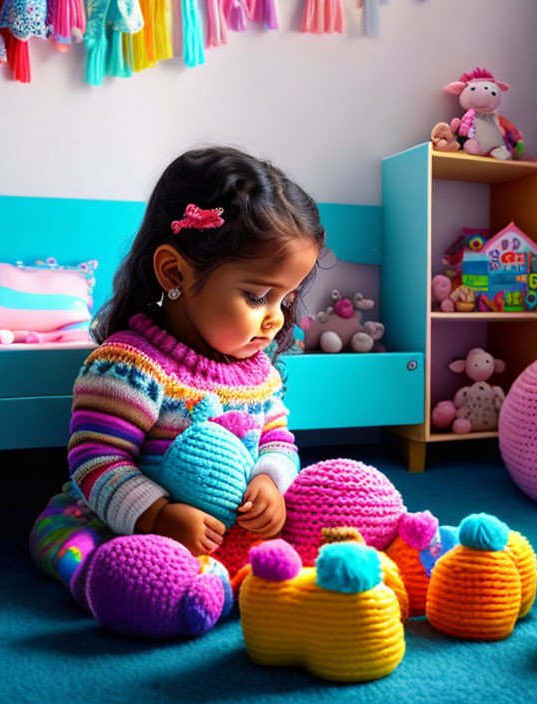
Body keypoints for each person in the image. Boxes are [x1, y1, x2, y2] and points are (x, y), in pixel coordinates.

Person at [28, 145, 326, 607]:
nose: (276, 320)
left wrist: (270, 481)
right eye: (256, 296)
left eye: (284, 300)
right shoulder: (129, 367)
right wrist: (158, 516)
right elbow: (97, 461)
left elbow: (277, 441)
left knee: (316, 523)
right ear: (175, 273)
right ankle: (128, 586)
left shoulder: (258, 373)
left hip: (220, 527)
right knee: (86, 553)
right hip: (121, 520)